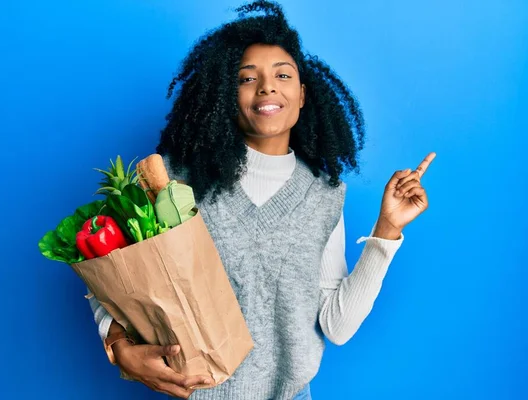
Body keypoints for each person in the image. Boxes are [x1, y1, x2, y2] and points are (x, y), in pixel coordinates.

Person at [87, 1, 436, 399]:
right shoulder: (172, 180)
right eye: (247, 78)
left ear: (302, 95)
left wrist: (387, 231)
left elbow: (336, 327)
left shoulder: (324, 197)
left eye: (283, 75)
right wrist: (118, 346)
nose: (267, 86)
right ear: (224, 95)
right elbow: (115, 274)